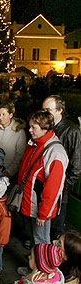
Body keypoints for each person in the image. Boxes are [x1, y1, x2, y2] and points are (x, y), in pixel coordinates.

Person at [17, 111, 68, 247]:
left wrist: (43, 214)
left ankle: (42, 268)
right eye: (30, 126)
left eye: (34, 127)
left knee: (41, 242)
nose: (30, 130)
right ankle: (34, 267)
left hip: (38, 207)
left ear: (45, 128)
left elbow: (53, 187)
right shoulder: (35, 143)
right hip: (29, 203)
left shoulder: (55, 152)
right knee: (34, 239)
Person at [42, 95, 81, 240]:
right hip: (44, 187)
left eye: (48, 110)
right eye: (43, 110)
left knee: (55, 228)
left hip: (59, 192)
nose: (44, 114)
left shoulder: (72, 131)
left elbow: (76, 167)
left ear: (60, 110)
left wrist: (61, 186)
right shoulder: (46, 127)